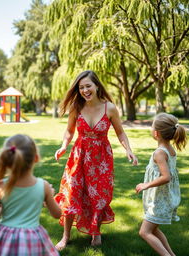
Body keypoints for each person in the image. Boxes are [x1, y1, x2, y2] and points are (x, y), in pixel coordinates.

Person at [54, 70, 138, 250]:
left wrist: (128, 150)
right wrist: (63, 146)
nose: (84, 90)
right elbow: (69, 131)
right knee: (72, 194)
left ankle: (95, 233)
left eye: (88, 86)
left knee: (98, 197)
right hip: (78, 157)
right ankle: (66, 236)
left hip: (101, 161)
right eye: (81, 87)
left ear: (97, 86)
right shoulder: (76, 107)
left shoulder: (110, 108)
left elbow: (120, 132)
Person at [0, 134, 61, 256]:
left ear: (7, 161)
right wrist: (49, 196)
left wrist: (4, 208)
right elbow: (57, 214)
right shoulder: (43, 186)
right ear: (36, 158)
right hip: (32, 238)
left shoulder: (0, 186)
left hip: (5, 238)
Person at [136, 113, 187, 256]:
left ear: (156, 133)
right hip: (164, 198)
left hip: (160, 201)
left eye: (152, 126)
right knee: (153, 230)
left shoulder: (159, 153)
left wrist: (146, 185)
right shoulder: (170, 150)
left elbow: (166, 177)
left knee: (144, 232)